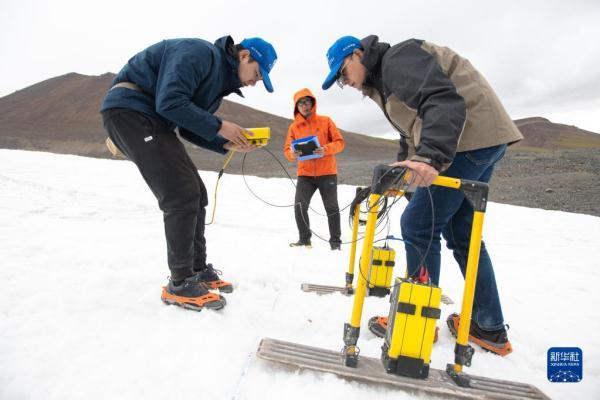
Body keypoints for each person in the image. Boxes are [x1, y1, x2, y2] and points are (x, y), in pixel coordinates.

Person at [321, 35, 522, 355]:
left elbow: (443, 102)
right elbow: (411, 131)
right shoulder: (384, 80)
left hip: (467, 140)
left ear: (357, 54)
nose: (345, 82)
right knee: (463, 235)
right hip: (482, 140)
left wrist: (430, 159)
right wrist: (404, 177)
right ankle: (489, 326)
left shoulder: (398, 59)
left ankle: (418, 323)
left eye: (343, 73)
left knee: (418, 225)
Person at [100, 36, 277, 311]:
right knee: (181, 193)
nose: (255, 82)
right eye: (257, 74)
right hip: (129, 111)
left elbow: (189, 127)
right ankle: (180, 283)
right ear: (244, 56)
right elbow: (169, 102)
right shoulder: (199, 53)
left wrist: (227, 142)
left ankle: (196, 269)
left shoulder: (217, 86)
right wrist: (220, 126)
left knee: (197, 193)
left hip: (153, 118)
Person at [283, 88, 345, 250]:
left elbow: (340, 142)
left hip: (327, 173)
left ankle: (335, 243)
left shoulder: (326, 121)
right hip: (305, 175)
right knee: (299, 206)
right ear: (296, 106)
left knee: (331, 208)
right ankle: (304, 239)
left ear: (313, 103)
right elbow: (287, 149)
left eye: (307, 101)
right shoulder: (293, 128)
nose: (304, 105)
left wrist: (325, 149)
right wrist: (292, 154)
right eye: (301, 102)